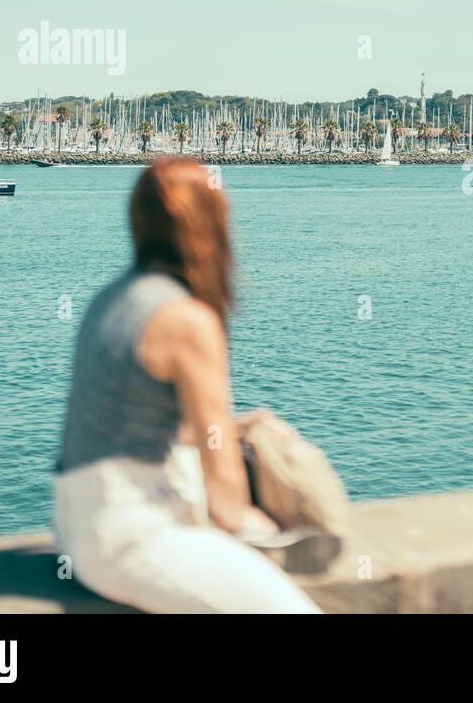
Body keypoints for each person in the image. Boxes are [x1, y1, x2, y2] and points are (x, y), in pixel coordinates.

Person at [53, 157, 320, 613]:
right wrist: (275, 531)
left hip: (76, 526)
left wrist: (231, 430)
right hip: (131, 536)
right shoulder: (186, 319)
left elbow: (131, 425)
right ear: (208, 224)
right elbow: (225, 497)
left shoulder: (112, 297)